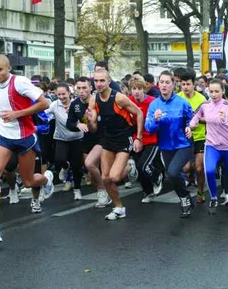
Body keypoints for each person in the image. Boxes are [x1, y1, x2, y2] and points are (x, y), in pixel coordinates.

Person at [0, 55, 54, 242]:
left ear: (8, 68)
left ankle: (46, 179)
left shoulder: (20, 82)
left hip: (25, 137)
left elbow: (45, 104)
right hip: (4, 137)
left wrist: (17, 114)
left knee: (28, 182)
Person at [88, 69, 144, 221]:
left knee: (114, 176)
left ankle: (131, 167)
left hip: (124, 139)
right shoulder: (93, 99)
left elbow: (139, 113)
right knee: (105, 178)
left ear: (108, 81)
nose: (98, 84)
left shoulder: (119, 98)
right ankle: (119, 208)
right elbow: (93, 129)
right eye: (96, 81)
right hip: (108, 139)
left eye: (102, 81)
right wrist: (91, 121)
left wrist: (138, 137)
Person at [190, 79, 228, 218]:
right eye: (211, 91)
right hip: (212, 145)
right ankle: (214, 198)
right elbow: (195, 116)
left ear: (223, 91)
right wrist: (190, 126)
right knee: (208, 170)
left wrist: (225, 121)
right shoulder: (205, 104)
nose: (213, 94)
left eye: (217, 91)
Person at [146, 71, 196, 217]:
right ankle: (185, 197)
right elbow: (148, 128)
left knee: (173, 172)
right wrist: (155, 121)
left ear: (174, 85)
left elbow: (192, 119)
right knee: (172, 175)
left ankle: (185, 199)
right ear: (158, 84)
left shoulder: (182, 102)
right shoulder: (154, 105)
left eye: (168, 82)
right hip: (166, 146)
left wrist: (189, 127)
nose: (164, 85)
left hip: (183, 144)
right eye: (161, 82)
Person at [67, 77, 110, 208]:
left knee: (89, 163)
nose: (81, 91)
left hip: (102, 138)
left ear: (90, 88)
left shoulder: (98, 100)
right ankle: (103, 190)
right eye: (78, 88)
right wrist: (77, 125)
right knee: (91, 172)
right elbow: (69, 123)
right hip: (86, 139)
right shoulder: (75, 104)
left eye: (84, 88)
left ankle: (102, 192)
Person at [128, 77, 164, 203]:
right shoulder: (129, 101)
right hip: (136, 139)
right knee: (139, 168)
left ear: (144, 89)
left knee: (143, 166)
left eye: (139, 88)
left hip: (152, 139)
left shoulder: (152, 101)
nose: (136, 92)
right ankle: (148, 192)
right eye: (133, 89)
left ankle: (157, 176)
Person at [45, 83, 85, 200]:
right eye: (59, 94)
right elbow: (44, 114)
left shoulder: (77, 104)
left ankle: (77, 189)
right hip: (61, 137)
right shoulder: (54, 105)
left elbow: (85, 119)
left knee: (77, 166)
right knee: (59, 160)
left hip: (76, 138)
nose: (61, 97)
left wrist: (74, 115)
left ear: (69, 93)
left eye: (64, 94)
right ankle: (65, 167)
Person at [178, 70, 208, 204]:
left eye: (188, 84)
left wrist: (196, 121)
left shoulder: (202, 99)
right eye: (183, 84)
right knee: (185, 168)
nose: (185, 87)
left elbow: (208, 118)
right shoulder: (177, 98)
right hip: (184, 137)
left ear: (193, 85)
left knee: (200, 168)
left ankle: (200, 192)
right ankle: (189, 176)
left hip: (200, 136)